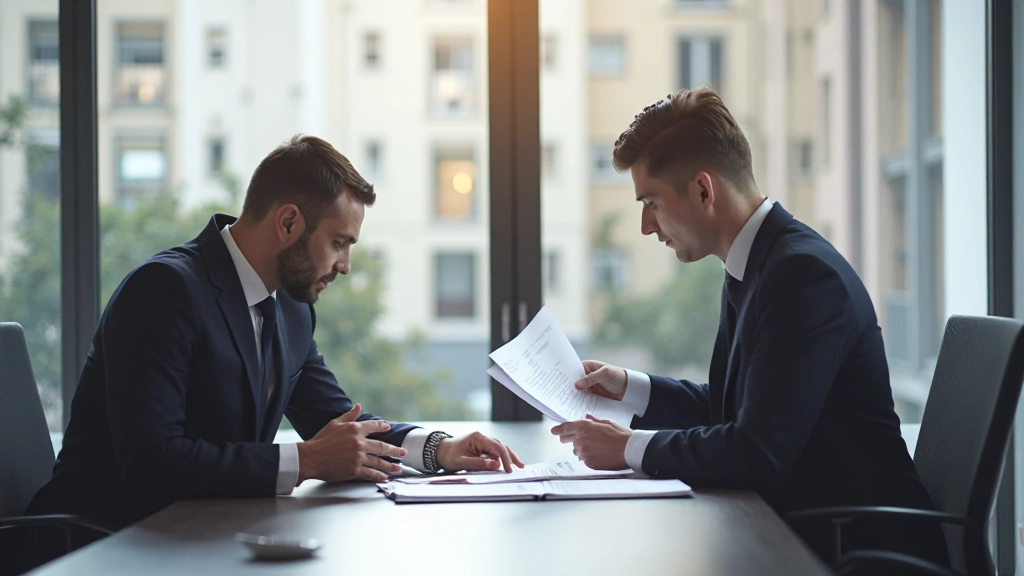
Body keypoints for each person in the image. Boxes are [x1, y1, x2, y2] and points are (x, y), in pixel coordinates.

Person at [28, 135, 524, 533]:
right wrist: (306, 461)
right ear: (289, 221)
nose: (345, 266)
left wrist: (439, 449)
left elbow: (339, 422)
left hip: (204, 536)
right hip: (99, 542)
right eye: (339, 243)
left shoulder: (289, 307)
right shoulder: (164, 291)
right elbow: (153, 464)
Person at [550, 88, 947, 565]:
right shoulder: (760, 261)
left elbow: (756, 451)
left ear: (703, 190)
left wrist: (629, 447)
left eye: (651, 202)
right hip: (803, 528)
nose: (645, 226)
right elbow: (734, 409)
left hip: (855, 547)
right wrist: (630, 388)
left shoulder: (802, 277)